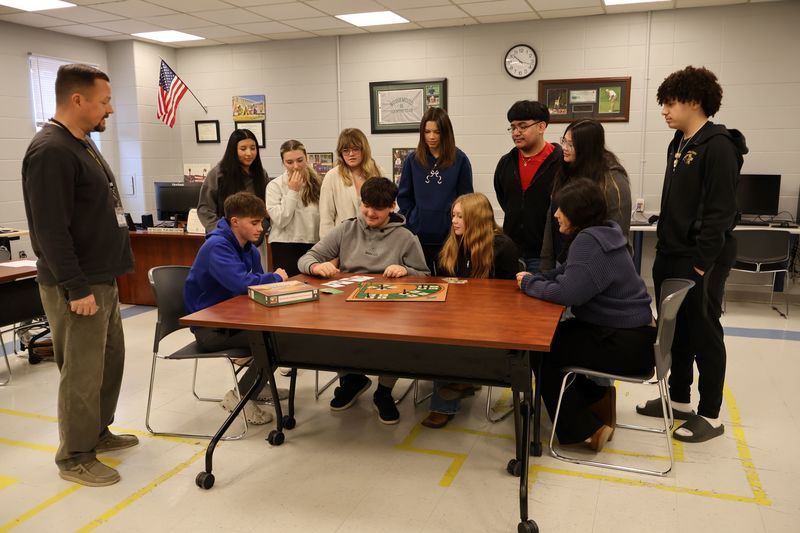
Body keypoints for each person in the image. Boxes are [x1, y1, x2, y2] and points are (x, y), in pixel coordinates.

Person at [21, 64, 136, 487]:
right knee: (82, 374)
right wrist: (76, 287)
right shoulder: (50, 150)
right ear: (77, 100)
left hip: (102, 278)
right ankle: (74, 456)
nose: (109, 109)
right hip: (79, 285)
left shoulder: (82, 143)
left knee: (109, 364)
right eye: (104, 101)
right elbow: (50, 231)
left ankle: (97, 433)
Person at [636, 66, 747, 443]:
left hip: (702, 258)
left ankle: (710, 414)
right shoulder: (679, 142)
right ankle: (680, 400)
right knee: (676, 329)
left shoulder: (718, 146)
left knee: (704, 332)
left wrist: (701, 262)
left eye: (670, 103)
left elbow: (719, 213)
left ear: (695, 101)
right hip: (671, 253)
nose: (664, 111)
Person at [516, 178, 656, 452]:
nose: (556, 214)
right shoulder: (605, 232)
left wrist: (529, 284)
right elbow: (567, 273)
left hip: (624, 344)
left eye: (561, 209)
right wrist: (538, 278)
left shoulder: (588, 241)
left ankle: (588, 429)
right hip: (637, 338)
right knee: (556, 340)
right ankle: (597, 402)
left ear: (578, 212)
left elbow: (568, 293)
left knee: (542, 350)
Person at [298, 177, 429, 424]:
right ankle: (352, 379)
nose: (369, 213)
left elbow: (425, 276)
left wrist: (406, 271)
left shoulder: (406, 237)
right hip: (348, 307)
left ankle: (384, 392)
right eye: (365, 205)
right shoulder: (346, 229)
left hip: (389, 310)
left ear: (392, 207)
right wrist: (316, 266)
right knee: (330, 329)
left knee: (396, 339)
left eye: (377, 208)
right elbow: (307, 257)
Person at [184, 192, 289, 425]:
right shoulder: (217, 246)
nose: (261, 228)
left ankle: (256, 386)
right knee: (276, 343)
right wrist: (276, 277)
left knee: (279, 336)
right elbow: (243, 284)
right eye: (254, 222)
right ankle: (240, 395)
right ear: (234, 222)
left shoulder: (247, 247)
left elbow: (257, 282)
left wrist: (269, 282)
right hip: (210, 330)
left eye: (261, 222)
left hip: (234, 320)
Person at [422, 193, 520, 428]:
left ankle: (444, 404)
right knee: (437, 333)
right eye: (453, 216)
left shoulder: (502, 247)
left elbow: (510, 296)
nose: (454, 221)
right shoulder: (454, 243)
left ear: (476, 219)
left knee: (450, 341)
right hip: (458, 317)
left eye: (460, 217)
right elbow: (445, 284)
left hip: (491, 322)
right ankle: (462, 381)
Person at [540, 119, 631, 271]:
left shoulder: (612, 180)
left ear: (587, 148)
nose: (564, 148)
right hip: (563, 260)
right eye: (564, 141)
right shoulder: (566, 170)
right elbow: (552, 220)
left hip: (596, 266)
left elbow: (617, 234)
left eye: (571, 144)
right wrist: (546, 266)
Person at [397, 107, 474, 272]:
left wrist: (455, 227)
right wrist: (413, 221)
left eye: (437, 132)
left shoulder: (460, 160)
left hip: (450, 238)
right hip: (418, 237)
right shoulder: (412, 160)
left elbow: (467, 200)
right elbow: (404, 197)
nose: (431, 137)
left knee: (449, 286)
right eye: (427, 131)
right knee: (420, 284)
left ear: (446, 133)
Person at [494, 100, 563, 272]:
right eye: (513, 127)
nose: (516, 133)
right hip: (512, 251)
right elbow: (504, 199)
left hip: (546, 254)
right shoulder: (506, 163)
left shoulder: (561, 163)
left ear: (541, 127)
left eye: (523, 126)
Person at [197, 129, 270, 235]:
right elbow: (205, 208)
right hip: (225, 238)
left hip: (255, 240)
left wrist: (260, 229)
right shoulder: (218, 174)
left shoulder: (261, 174)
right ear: (233, 150)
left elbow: (268, 208)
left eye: (253, 148)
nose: (249, 153)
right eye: (243, 149)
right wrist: (221, 232)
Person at [266, 140, 322, 277]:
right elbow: (280, 220)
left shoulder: (318, 183)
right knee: (290, 288)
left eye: (300, 160)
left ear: (306, 158)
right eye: (290, 162)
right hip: (285, 244)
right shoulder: (274, 186)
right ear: (283, 163)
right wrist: (293, 191)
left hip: (313, 243)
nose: (295, 166)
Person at [318, 128, 384, 238]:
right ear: (340, 153)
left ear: (364, 150)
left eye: (355, 149)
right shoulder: (332, 176)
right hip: (344, 240)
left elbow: (386, 209)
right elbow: (326, 219)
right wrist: (328, 250)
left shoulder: (377, 172)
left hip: (375, 238)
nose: (351, 154)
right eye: (345, 150)